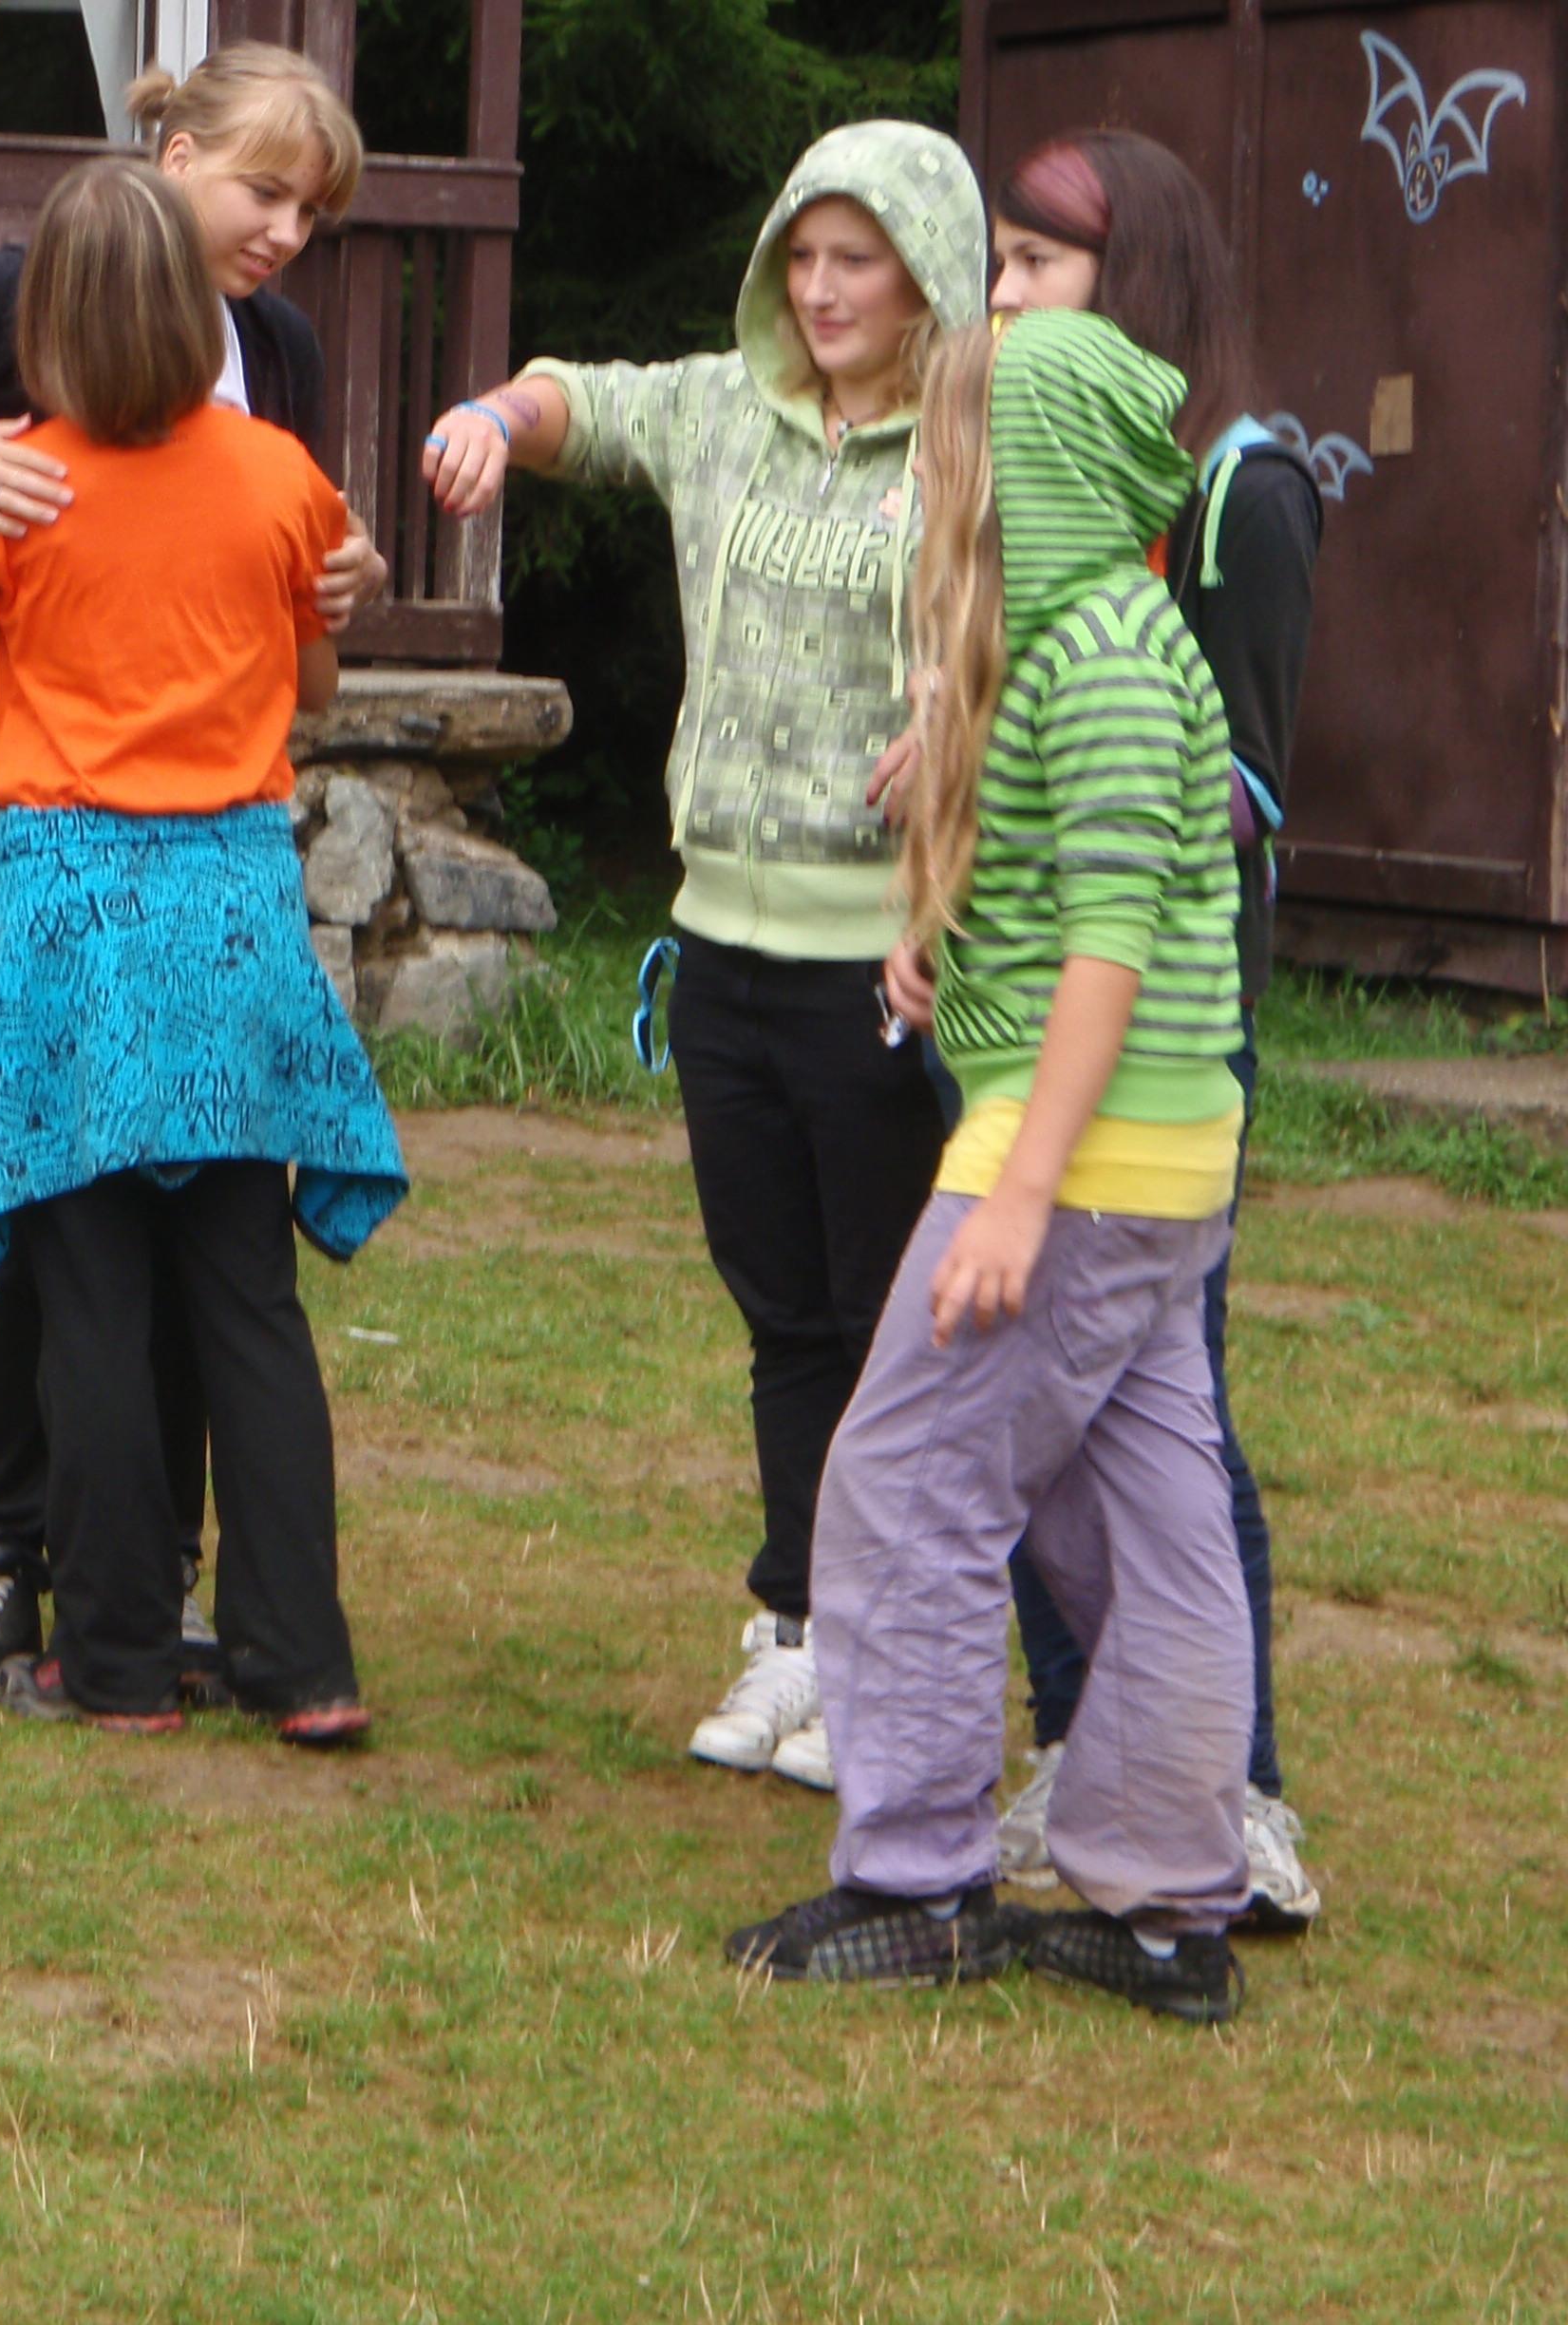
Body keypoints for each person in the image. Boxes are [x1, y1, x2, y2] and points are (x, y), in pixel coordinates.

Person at [0, 42, 388, 1693]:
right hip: (70, 840)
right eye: (265, 192)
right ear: (175, 155)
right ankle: (18, 1556)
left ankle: (134, 1600)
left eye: (311, 212)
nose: (285, 234)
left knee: (112, 1228)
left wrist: (332, 582)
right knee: (83, 1201)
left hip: (122, 851)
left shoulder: (272, 361)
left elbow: (289, 584)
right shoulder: (7, 296)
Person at [421, 123, 987, 1791]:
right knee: (784, 1314)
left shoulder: (981, 448)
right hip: (721, 948)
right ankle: (797, 1623)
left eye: (857, 260)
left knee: (887, 1322)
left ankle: (891, 1659)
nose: (821, 290)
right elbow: (579, 403)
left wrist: (962, 747)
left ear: (928, 275)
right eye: (801, 257)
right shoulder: (724, 409)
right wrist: (492, 418)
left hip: (883, 956)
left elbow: (1050, 639)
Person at [727, 307, 1256, 2024]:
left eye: (958, 447)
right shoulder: (1111, 631)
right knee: (1152, 1532)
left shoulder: (1097, 657)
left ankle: (920, 1878)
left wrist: (1022, 1187)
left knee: (905, 1484)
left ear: (1030, 469)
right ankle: (1170, 1904)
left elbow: (1114, 942)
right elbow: (1099, 897)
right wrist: (943, 953)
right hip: (1159, 1162)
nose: (935, 477)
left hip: (1075, 1162)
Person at [973, 130, 1324, 1930]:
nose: (1003, 298)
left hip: (1171, 1032)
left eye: (1037, 267)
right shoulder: (1033, 472)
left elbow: (1247, 784)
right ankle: (1078, 1746)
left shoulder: (1244, 491)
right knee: (1032, 1404)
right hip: (1017, 1015)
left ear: (1139, 287)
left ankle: (1233, 1789)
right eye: (1001, 264)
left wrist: (1079, 752)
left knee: (1171, 1400)